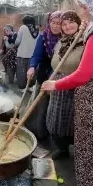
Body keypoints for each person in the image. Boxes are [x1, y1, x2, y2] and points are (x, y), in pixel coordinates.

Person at [42, 0, 93, 186]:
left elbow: (83, 75)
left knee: (92, 149)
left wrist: (55, 85)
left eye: (85, 7)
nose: (82, 12)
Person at [45, 11, 84, 159]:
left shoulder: (85, 42)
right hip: (56, 86)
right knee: (55, 119)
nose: (67, 27)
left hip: (74, 87)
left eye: (71, 22)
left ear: (78, 23)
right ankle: (62, 149)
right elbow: (55, 63)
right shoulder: (61, 42)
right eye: (64, 24)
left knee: (71, 121)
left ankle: (77, 149)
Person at [27, 11, 62, 142]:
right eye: (53, 22)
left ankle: (54, 134)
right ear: (49, 22)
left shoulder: (65, 38)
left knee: (53, 107)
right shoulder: (43, 36)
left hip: (59, 78)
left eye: (59, 23)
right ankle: (38, 131)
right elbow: (36, 55)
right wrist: (32, 67)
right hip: (44, 75)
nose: (55, 26)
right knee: (40, 104)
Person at [14, 15, 40, 89]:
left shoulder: (23, 27)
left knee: (21, 71)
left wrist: (15, 43)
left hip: (22, 54)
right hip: (33, 55)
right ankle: (30, 86)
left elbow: (17, 41)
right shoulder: (37, 29)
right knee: (31, 72)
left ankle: (22, 87)